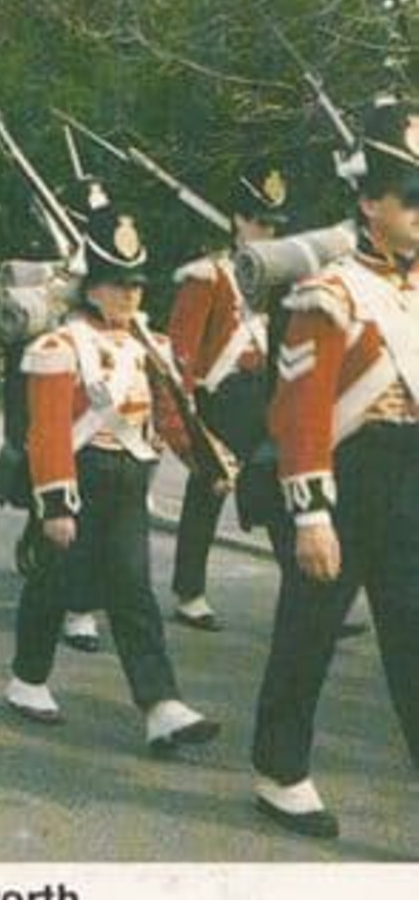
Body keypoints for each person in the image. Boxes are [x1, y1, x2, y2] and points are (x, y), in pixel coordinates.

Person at [251, 96, 419, 839]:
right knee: (310, 629)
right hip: (349, 477)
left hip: (410, 478)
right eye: (410, 198)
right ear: (369, 203)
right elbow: (302, 412)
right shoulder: (331, 292)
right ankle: (280, 771)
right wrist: (311, 514)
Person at [6, 194, 222, 755]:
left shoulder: (149, 343)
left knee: (134, 593)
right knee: (53, 585)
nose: (130, 293)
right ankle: (27, 679)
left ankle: (160, 706)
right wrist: (55, 504)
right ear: (91, 285)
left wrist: (204, 460)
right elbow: (48, 431)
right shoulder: (59, 345)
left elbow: (170, 411)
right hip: (78, 475)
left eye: (137, 284)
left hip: (130, 477)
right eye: (118, 282)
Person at [165, 165, 290, 631]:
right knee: (208, 491)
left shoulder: (275, 277)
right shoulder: (209, 275)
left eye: (275, 225)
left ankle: (306, 591)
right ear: (238, 220)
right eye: (261, 221)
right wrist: (188, 421)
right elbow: (182, 353)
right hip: (219, 398)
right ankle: (189, 590)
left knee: (282, 488)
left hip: (263, 397)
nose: (269, 231)